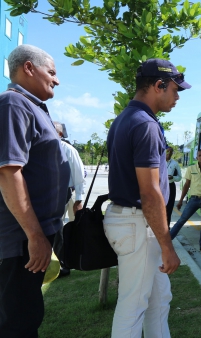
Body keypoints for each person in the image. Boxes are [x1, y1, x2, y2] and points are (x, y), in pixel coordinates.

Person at [104, 58, 190, 337]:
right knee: (133, 306)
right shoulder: (146, 124)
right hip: (138, 223)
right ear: (158, 85)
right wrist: (168, 246)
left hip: (135, 222)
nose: (177, 97)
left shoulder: (125, 118)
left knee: (158, 300)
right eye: (175, 89)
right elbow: (150, 192)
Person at [0, 44, 69, 337]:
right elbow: (8, 172)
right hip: (19, 242)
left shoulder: (33, 106)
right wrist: (35, 235)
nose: (56, 80)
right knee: (18, 322)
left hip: (32, 237)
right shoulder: (13, 104)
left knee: (26, 315)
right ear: (29, 68)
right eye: (51, 72)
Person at [52, 121, 86, 278]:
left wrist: (79, 200)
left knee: (57, 227)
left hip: (62, 191)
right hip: (47, 192)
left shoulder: (68, 150)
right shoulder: (40, 147)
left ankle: (63, 263)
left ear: (59, 133)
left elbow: (79, 176)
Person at [169, 149, 201, 254]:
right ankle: (168, 241)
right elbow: (186, 185)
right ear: (196, 157)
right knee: (182, 220)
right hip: (194, 199)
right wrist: (180, 200)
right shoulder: (191, 169)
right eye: (199, 155)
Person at [165, 146, 182, 227]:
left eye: (170, 152)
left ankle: (167, 228)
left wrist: (173, 177)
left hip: (170, 186)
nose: (168, 153)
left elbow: (179, 177)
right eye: (167, 151)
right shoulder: (158, 162)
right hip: (160, 186)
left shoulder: (175, 164)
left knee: (169, 208)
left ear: (172, 153)